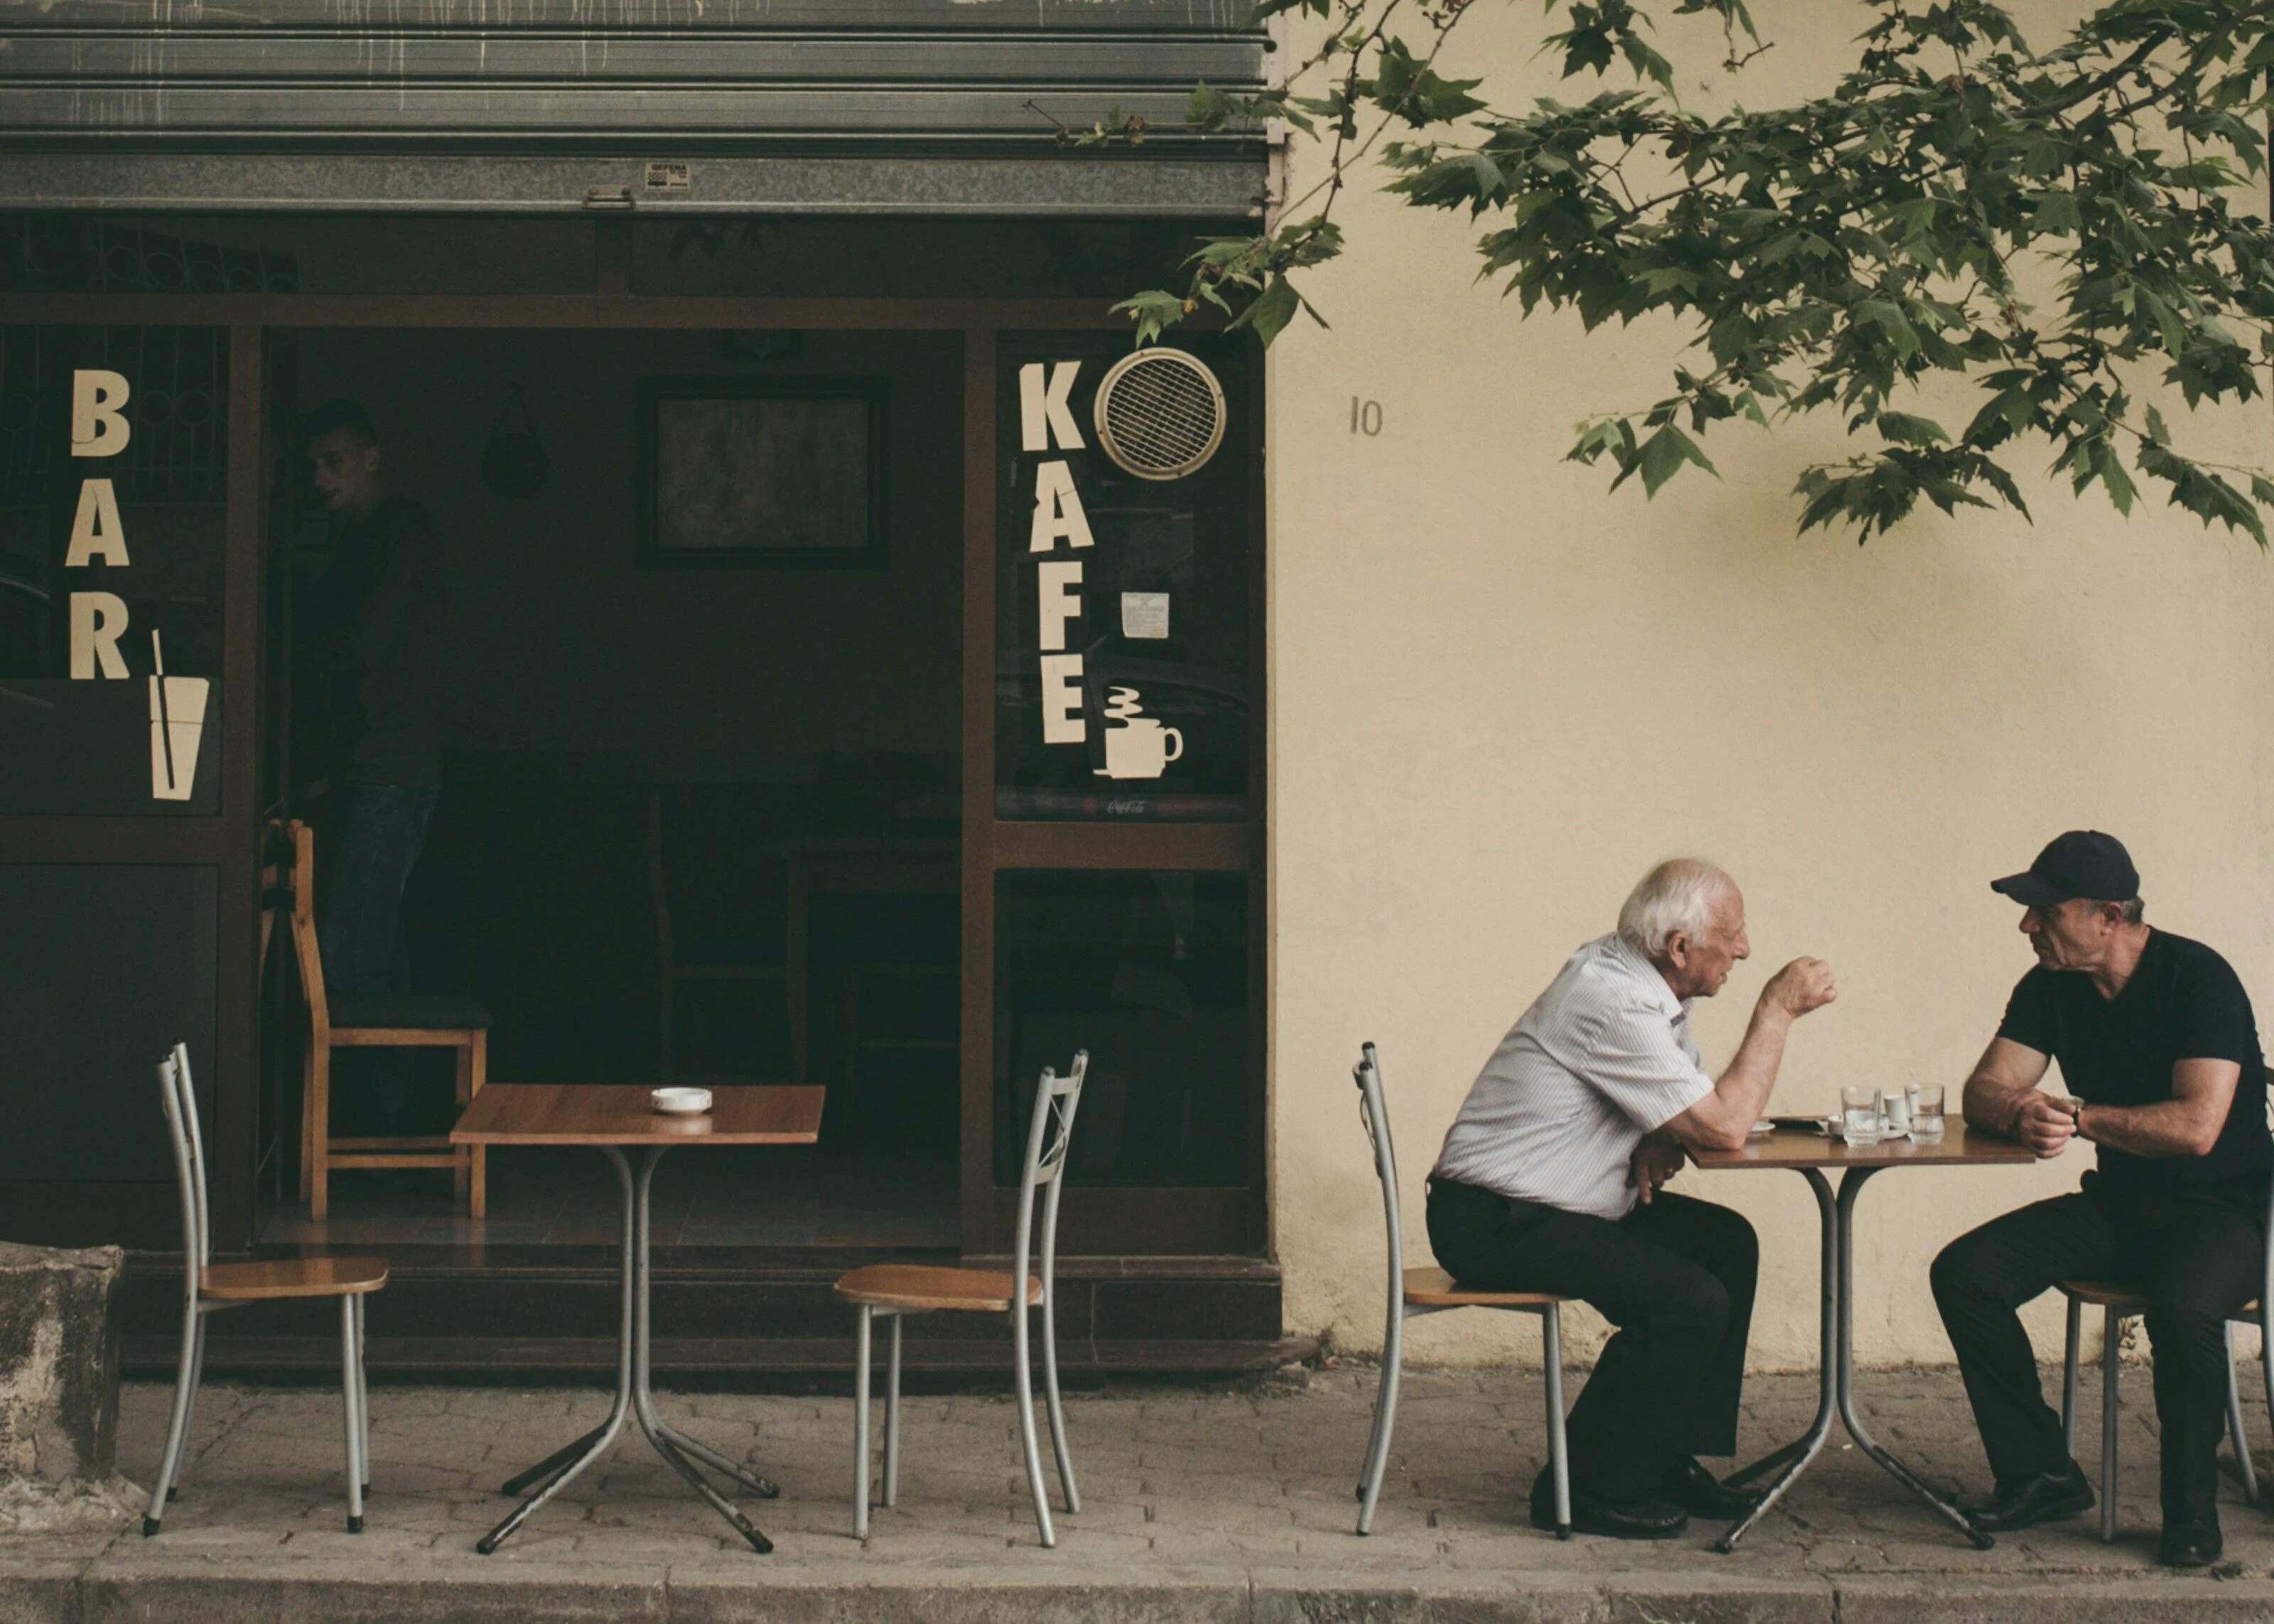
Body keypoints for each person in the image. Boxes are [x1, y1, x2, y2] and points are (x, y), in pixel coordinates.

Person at [1426, 858, 1838, 1539]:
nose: (1743, 949)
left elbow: (1691, 1108)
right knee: (1688, 1301)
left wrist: (1659, 1127)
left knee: (1726, 1245)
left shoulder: (1645, 988)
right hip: (1495, 1218)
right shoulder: (1612, 996)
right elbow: (1725, 1125)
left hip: (1555, 1205)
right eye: (1731, 936)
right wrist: (1776, 1011)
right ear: (1679, 948)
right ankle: (1585, 1485)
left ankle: (1659, 1455)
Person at [1929, 830, 2269, 1569]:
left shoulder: (2197, 978)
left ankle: (2189, 1515)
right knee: (1965, 1271)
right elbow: (1982, 1089)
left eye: (2043, 912)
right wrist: (2016, 1111)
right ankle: (2041, 1473)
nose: (2026, 927)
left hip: (2226, 1211)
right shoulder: (2048, 986)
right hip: (2121, 1205)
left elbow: (2197, 1126)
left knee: (2182, 1311)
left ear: (2108, 917)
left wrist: (2078, 1117)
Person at [303, 399, 449, 1137]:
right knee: (377, 949)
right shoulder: (357, 540)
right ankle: (394, 1123)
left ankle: (367, 1127)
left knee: (349, 954)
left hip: (390, 768)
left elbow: (363, 643)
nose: (320, 478)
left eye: (333, 460)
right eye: (312, 465)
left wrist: (265, 649)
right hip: (370, 766)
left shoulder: (401, 532)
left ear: (371, 457)